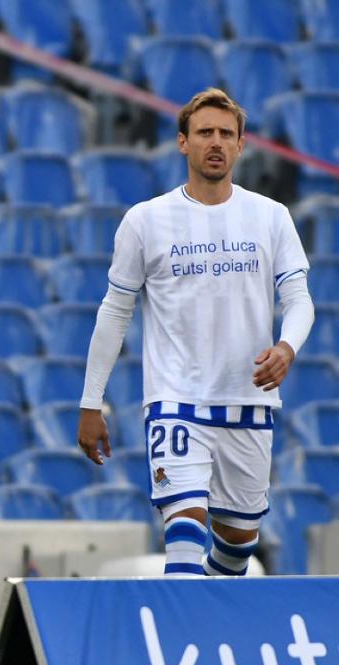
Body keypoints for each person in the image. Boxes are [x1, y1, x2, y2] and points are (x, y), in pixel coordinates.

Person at [76, 88, 315, 577]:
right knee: (184, 530)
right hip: (176, 400)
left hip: (248, 402)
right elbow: (115, 311)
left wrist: (288, 347)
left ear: (241, 145)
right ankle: (175, 643)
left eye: (226, 134)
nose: (216, 142)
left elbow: (299, 299)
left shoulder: (271, 217)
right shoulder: (146, 220)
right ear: (182, 142)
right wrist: (90, 401)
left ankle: (213, 624)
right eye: (205, 132)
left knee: (237, 547)